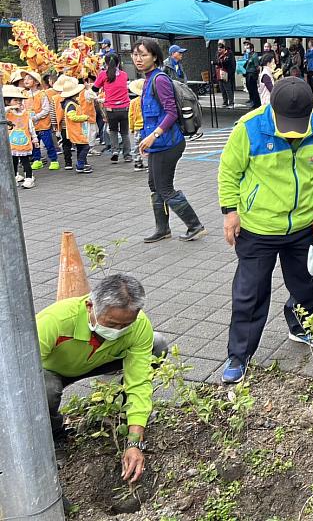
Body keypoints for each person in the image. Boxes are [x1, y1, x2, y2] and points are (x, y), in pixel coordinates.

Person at [217, 77, 313, 383]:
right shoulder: (249, 128)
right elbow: (229, 171)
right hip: (259, 227)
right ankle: (239, 353)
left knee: (309, 282)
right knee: (251, 292)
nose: (293, 130)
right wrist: (230, 212)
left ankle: (301, 326)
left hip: (304, 225)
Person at [37, 274, 168, 484]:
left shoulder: (138, 325)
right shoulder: (55, 321)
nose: (118, 331)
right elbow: (21, 375)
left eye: (125, 325)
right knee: (44, 389)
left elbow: (140, 381)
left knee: (157, 345)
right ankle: (56, 436)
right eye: (113, 324)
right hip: (54, 370)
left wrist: (135, 441)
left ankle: (120, 410)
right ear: (90, 306)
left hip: (101, 360)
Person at [133, 38, 206, 243]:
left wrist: (153, 136)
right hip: (158, 143)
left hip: (168, 143)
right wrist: (146, 140)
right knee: (154, 185)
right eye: (136, 54)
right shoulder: (148, 79)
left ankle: (194, 225)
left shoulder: (159, 79)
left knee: (164, 187)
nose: (138, 59)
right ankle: (162, 229)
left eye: (143, 55)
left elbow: (171, 113)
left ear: (155, 57)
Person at [93, 53, 131, 163]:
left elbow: (95, 89)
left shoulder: (103, 75)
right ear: (119, 62)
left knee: (113, 131)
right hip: (125, 107)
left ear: (105, 63)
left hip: (111, 109)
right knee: (124, 132)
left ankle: (115, 151)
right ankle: (127, 155)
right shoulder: (124, 74)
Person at [4, 84, 39, 189]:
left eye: (19, 100)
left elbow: (31, 127)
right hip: (12, 144)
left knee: (25, 161)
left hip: (24, 142)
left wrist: (35, 139)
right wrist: (9, 107)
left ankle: (29, 178)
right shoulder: (8, 114)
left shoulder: (26, 114)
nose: (18, 102)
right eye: (15, 100)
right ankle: (14, 177)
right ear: (7, 101)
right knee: (13, 161)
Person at [57, 78, 93, 173]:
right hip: (75, 130)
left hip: (76, 129)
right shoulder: (71, 104)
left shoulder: (69, 103)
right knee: (85, 146)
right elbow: (72, 117)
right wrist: (84, 117)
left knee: (81, 147)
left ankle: (82, 164)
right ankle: (80, 164)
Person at [21, 70, 56, 170]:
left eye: (29, 78)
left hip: (43, 125)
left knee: (48, 143)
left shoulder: (42, 94)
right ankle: (37, 160)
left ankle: (53, 160)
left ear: (36, 82)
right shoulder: (24, 95)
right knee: (34, 144)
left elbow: (46, 109)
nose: (26, 80)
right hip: (31, 126)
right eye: (25, 79)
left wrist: (35, 117)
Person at [128, 78, 146, 171]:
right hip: (147, 127)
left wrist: (131, 127)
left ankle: (137, 163)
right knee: (148, 145)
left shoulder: (133, 102)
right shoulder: (148, 100)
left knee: (137, 146)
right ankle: (150, 164)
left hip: (137, 127)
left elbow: (130, 116)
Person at [215, 41, 236, 108]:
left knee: (228, 88)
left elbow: (229, 63)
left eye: (220, 49)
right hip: (219, 72)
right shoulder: (218, 54)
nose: (219, 50)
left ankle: (231, 103)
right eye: (218, 49)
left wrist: (220, 62)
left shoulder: (229, 53)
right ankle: (225, 102)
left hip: (227, 73)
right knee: (222, 88)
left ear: (224, 48)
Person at [242, 40, 261, 109]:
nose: (246, 48)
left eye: (248, 47)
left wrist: (257, 75)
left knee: (253, 89)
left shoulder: (254, 55)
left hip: (252, 74)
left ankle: (256, 103)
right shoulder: (248, 55)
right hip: (248, 73)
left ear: (252, 48)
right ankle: (252, 100)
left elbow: (257, 66)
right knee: (249, 88)